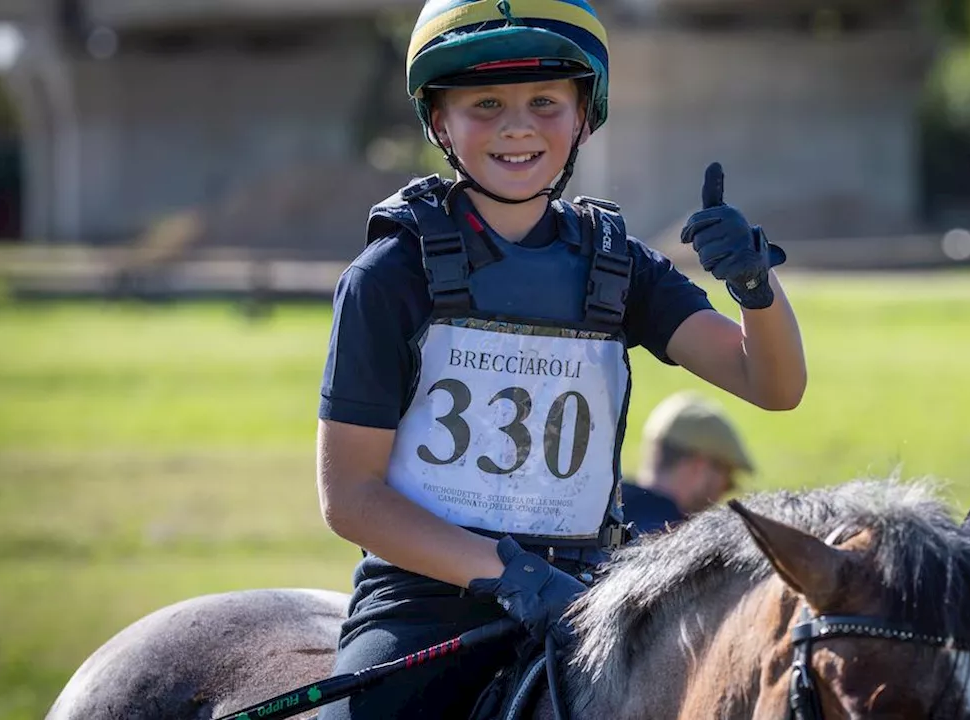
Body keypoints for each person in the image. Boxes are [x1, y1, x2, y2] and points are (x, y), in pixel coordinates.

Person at [314, 1, 807, 716]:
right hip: (426, 605)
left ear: (583, 116)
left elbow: (773, 385)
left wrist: (755, 288)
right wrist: (512, 575)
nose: (518, 125)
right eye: (486, 103)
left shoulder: (621, 268)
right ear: (439, 123)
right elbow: (352, 498)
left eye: (545, 101)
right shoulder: (386, 277)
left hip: (596, 598)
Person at [621, 392, 755, 534]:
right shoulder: (678, 539)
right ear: (698, 467)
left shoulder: (604, 509)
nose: (722, 496)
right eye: (728, 484)